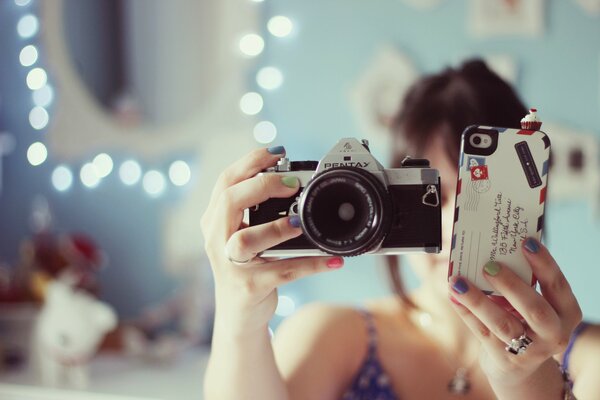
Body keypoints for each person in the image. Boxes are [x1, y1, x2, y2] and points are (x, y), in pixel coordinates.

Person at [201, 60, 600, 399]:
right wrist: (239, 314)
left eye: (477, 196)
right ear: (386, 199)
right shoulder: (332, 336)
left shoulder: (588, 357)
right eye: (431, 195)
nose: (452, 225)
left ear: (533, 204)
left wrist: (532, 385)